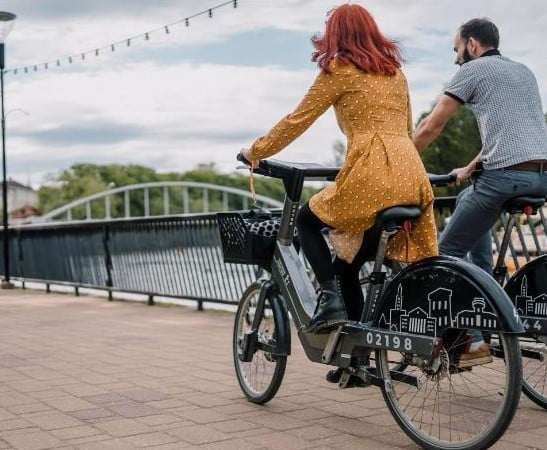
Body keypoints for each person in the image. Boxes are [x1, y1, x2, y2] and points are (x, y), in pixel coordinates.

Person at [240, 3, 438, 340]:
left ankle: (329, 300)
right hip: (411, 175)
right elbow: (406, 127)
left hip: (371, 174)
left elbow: (297, 121)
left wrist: (255, 151)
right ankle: (359, 353)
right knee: (347, 265)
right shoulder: (395, 73)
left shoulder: (339, 70)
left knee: (305, 220)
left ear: (335, 35)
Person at [412, 17, 547, 365]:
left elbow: (431, 126)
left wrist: (398, 161)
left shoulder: (472, 71)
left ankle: (472, 340)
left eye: (457, 49)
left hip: (503, 179)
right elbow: (516, 134)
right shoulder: (523, 71)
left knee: (445, 255)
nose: (456, 58)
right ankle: (485, 291)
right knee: (466, 202)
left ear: (472, 44)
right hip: (539, 178)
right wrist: (472, 166)